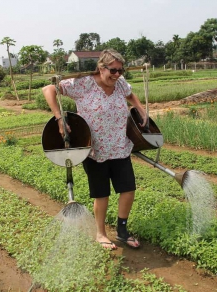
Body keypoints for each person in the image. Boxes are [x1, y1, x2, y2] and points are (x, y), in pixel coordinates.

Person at [42, 49, 147, 250]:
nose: (117, 75)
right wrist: (59, 118)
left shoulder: (120, 83)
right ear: (101, 68)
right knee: (102, 194)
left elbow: (130, 94)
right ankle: (100, 234)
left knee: (128, 190)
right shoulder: (84, 84)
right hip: (95, 151)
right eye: (113, 71)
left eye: (120, 71)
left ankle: (122, 231)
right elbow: (48, 89)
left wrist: (140, 109)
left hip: (120, 147)